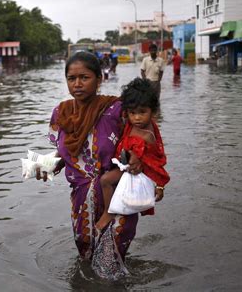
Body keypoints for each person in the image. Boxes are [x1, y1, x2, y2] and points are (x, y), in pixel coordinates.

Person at [36, 51, 145, 262]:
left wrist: (137, 158)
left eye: (84, 78)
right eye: (71, 78)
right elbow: (66, 153)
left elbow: (144, 141)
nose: (77, 84)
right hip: (81, 200)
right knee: (86, 258)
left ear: (99, 79)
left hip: (116, 195)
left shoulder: (118, 110)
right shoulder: (61, 113)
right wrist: (47, 166)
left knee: (112, 261)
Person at [96, 78, 170, 230]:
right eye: (133, 113)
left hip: (134, 172)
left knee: (105, 180)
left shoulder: (147, 135)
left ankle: (108, 212)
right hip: (125, 167)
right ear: (126, 112)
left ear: (153, 111)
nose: (137, 117)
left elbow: (155, 161)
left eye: (142, 112)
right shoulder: (130, 123)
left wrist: (160, 186)